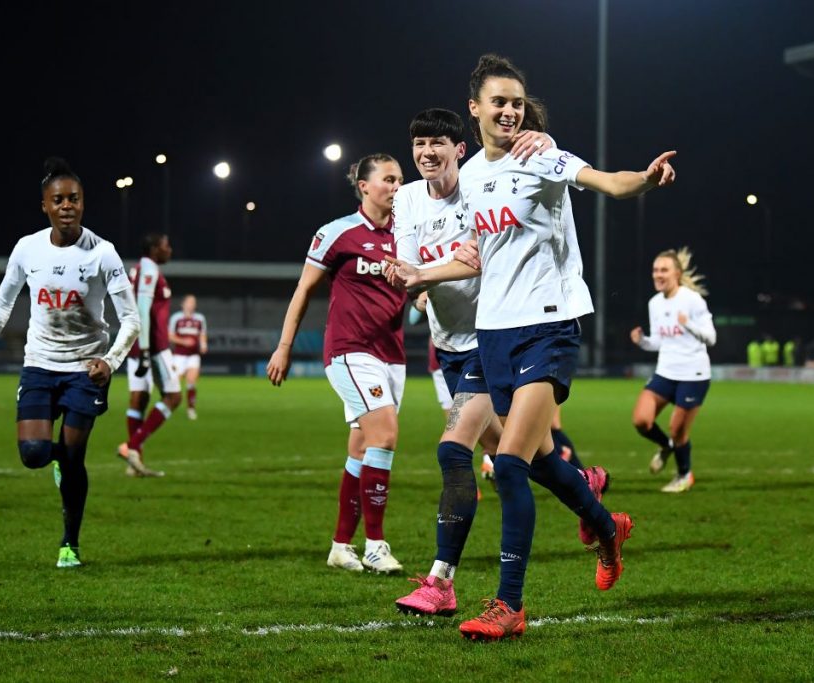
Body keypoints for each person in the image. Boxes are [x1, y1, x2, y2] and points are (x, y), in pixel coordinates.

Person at [386, 55, 675, 640]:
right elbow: (472, 251)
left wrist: (643, 179)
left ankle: (508, 605)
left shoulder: (541, 154)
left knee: (510, 466)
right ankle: (605, 525)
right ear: (476, 109)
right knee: (542, 461)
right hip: (492, 333)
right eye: (498, 101)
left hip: (549, 325)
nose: (510, 110)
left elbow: (607, 183)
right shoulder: (470, 181)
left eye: (517, 101)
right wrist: (422, 278)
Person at [0, 157, 140, 568]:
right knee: (34, 454)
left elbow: (131, 318)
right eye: (58, 199)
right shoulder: (28, 248)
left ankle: (69, 543)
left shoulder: (104, 254)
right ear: (44, 205)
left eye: (73, 199)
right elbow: (5, 299)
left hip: (85, 370)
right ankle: (54, 458)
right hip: (40, 365)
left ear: (83, 203)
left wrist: (110, 361)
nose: (67, 206)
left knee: (75, 458)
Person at [267, 153, 406, 574]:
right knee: (384, 434)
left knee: (362, 447)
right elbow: (303, 290)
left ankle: (341, 546)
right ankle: (377, 545)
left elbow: (422, 287)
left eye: (400, 180)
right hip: (349, 351)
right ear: (364, 186)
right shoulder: (337, 233)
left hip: (393, 356)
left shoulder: (408, 235)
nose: (397, 187)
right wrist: (284, 346)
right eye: (388, 179)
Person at [630, 247, 716, 493]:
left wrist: (687, 324)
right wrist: (642, 341)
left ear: (676, 273)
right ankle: (666, 446)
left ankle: (684, 474)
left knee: (678, 430)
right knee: (641, 421)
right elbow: (658, 341)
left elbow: (711, 338)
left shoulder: (692, 300)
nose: (658, 274)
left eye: (663, 270)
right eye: (655, 270)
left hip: (693, 375)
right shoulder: (654, 303)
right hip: (665, 372)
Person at [118, 233, 181, 477]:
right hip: (152, 346)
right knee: (174, 397)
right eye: (166, 246)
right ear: (154, 249)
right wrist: (146, 350)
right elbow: (142, 309)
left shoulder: (136, 269)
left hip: (137, 343)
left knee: (138, 400)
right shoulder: (149, 269)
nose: (170, 250)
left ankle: (135, 465)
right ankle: (132, 446)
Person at [169, 294, 208, 420]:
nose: (192, 304)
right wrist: (183, 341)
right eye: (189, 302)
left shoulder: (200, 319)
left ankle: (191, 409)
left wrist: (203, 344)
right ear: (183, 304)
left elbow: (202, 334)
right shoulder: (176, 318)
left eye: (193, 302)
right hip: (178, 356)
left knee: (191, 382)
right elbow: (170, 335)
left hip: (193, 356)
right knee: (175, 383)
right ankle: (168, 407)